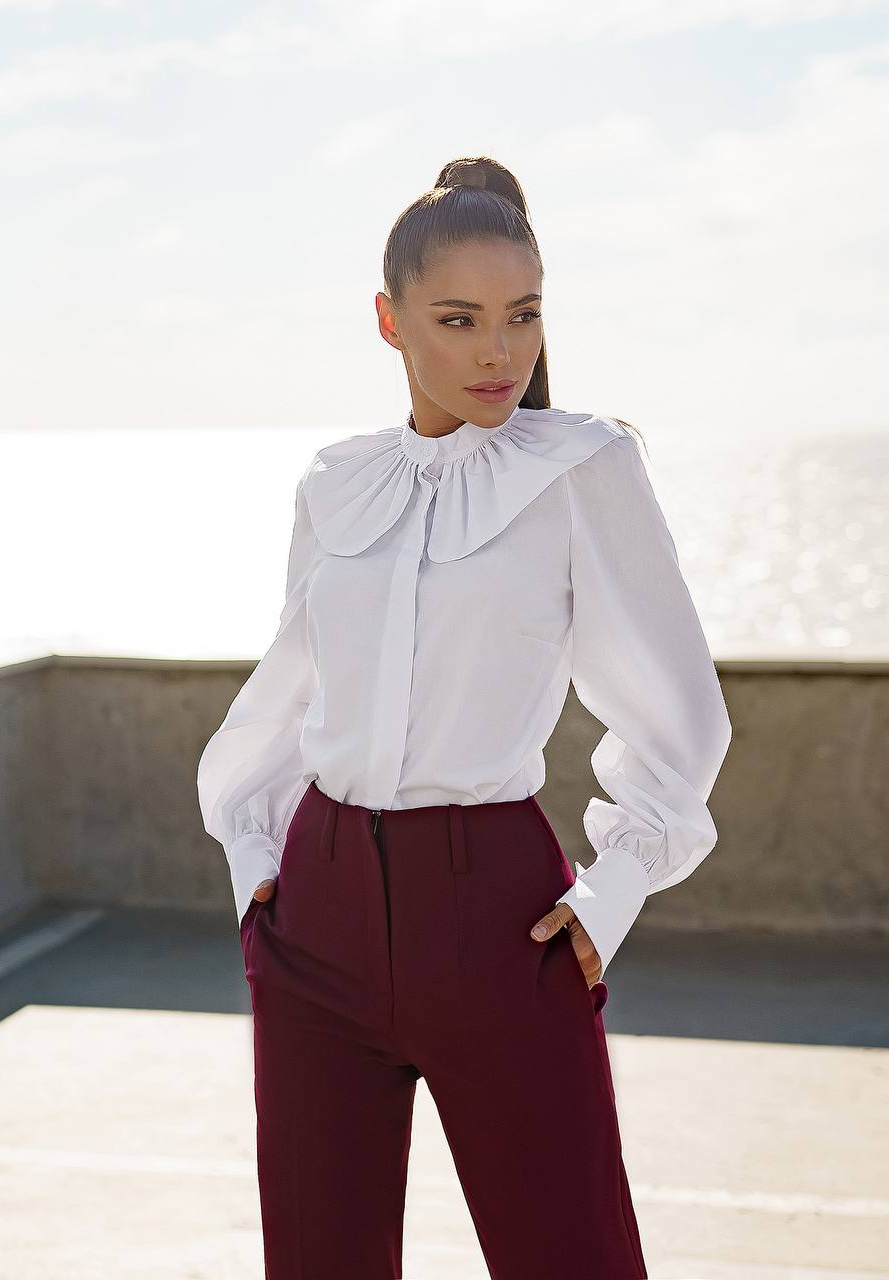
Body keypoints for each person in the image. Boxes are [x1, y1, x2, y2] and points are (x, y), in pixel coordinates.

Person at [197, 155, 733, 1280]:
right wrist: (257, 861)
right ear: (390, 322)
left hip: (498, 911)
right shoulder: (337, 482)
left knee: (571, 1255)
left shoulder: (582, 467)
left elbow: (676, 702)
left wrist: (615, 886)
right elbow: (293, 688)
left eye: (521, 316)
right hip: (318, 912)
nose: (498, 351)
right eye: (459, 319)